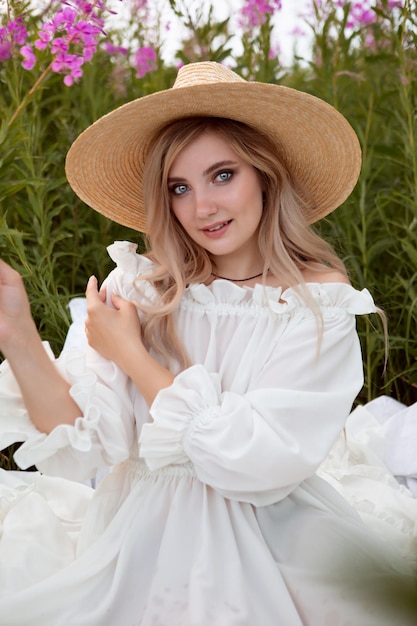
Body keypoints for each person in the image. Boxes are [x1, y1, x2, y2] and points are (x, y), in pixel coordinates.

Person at [0, 61, 415, 625]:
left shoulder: (315, 303)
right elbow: (82, 449)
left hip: (271, 534)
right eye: (180, 187)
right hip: (139, 535)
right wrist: (18, 333)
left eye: (223, 175)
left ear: (266, 174)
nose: (203, 208)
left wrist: (133, 357)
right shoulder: (139, 288)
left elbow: (261, 461)